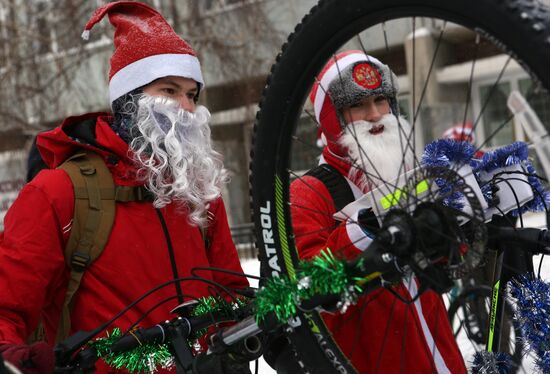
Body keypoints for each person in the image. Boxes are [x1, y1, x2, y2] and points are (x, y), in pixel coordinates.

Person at [0, 2, 248, 373]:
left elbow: (232, 295)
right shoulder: (59, 192)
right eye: (169, 90)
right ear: (130, 101)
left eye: (192, 95)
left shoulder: (198, 195)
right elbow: (7, 307)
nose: (185, 108)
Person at [288, 50, 466, 373]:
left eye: (381, 101)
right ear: (332, 118)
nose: (374, 115)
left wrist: (461, 217)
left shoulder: (409, 173)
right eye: (357, 105)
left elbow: (448, 258)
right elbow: (308, 286)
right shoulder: (309, 192)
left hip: (443, 359)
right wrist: (363, 229)